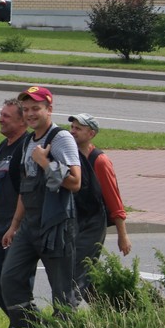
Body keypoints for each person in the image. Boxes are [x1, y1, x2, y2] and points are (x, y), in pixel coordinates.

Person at [0, 86, 81, 328]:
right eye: (26, 109)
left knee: (62, 292)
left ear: (49, 109)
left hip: (56, 225)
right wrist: (14, 224)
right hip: (29, 226)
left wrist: (46, 163)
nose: (30, 113)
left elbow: (75, 182)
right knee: (9, 279)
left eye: (36, 108)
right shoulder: (29, 140)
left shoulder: (61, 139)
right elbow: (26, 187)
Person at [67, 113, 132, 298]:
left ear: (92, 134)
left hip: (93, 223)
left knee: (77, 272)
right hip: (74, 221)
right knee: (84, 274)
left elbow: (114, 199)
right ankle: (114, 308)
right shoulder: (69, 155)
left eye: (78, 129)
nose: (72, 132)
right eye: (72, 127)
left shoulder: (100, 161)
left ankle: (66, 316)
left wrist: (123, 235)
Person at [0, 98, 30, 315]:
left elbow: (25, 192)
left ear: (23, 122)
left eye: (6, 116)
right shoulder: (3, 146)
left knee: (14, 282)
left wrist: (15, 225)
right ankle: (22, 324)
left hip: (16, 227)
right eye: (1, 114)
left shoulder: (25, 147)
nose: (0, 119)